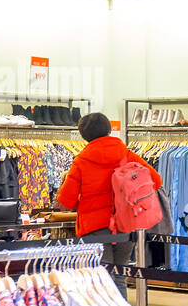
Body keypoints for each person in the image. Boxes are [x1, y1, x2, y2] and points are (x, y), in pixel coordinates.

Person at [57, 112, 162, 296]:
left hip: (95, 227)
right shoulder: (127, 154)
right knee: (119, 276)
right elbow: (156, 180)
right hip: (126, 223)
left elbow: (67, 200)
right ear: (108, 129)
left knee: (101, 277)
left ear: (84, 135)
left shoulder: (81, 161)